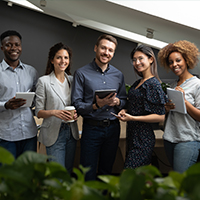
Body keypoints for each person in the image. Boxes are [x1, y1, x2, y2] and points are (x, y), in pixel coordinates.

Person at [71, 34, 127, 180]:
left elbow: (124, 100)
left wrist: (118, 103)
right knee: (87, 172)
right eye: (103, 48)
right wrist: (96, 105)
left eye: (110, 50)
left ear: (113, 53)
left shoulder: (118, 75)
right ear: (96, 48)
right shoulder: (81, 73)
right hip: (91, 129)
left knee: (106, 172)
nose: (106, 53)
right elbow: (77, 104)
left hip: (113, 129)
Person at [118, 44, 167, 169]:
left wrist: (133, 118)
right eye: (134, 60)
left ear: (150, 59)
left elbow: (160, 116)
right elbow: (135, 106)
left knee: (128, 175)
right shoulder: (138, 83)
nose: (137, 62)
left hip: (143, 137)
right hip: (132, 135)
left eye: (140, 58)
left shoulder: (153, 84)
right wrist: (125, 110)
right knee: (137, 178)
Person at [35, 43, 79, 174]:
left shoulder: (73, 80)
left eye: (66, 57)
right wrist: (55, 112)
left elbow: (78, 104)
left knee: (68, 172)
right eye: (59, 57)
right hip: (54, 133)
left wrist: (77, 114)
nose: (63, 61)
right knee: (58, 175)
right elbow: (38, 112)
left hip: (71, 132)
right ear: (52, 60)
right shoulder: (44, 81)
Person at [158, 40, 200, 173]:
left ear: (186, 60)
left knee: (179, 184)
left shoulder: (197, 84)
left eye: (178, 60)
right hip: (170, 139)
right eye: (171, 62)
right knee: (176, 180)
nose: (174, 65)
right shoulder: (172, 86)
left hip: (187, 141)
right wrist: (167, 109)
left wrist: (184, 102)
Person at [0, 30, 38, 158]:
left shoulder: (31, 71)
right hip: (6, 135)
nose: (14, 48)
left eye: (17, 44)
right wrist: (5, 105)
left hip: (29, 133)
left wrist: (33, 100)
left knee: (28, 175)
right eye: (9, 45)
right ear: (2, 47)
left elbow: (37, 97)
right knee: (8, 176)